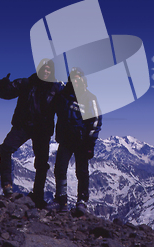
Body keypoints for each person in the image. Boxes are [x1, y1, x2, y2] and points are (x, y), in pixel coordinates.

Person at [0, 59, 61, 208]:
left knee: (42, 164)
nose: (46, 71)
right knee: (6, 149)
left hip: (42, 130)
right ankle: (7, 186)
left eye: (48, 69)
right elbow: (5, 93)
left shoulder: (56, 89)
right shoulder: (26, 83)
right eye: (43, 69)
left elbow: (67, 105)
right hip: (23, 126)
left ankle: (38, 195)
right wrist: (2, 83)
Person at [48, 67, 102, 213]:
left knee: (82, 171)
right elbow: (54, 88)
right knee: (60, 167)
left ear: (82, 80)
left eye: (78, 78)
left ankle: (82, 201)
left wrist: (90, 143)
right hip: (66, 139)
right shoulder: (64, 95)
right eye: (73, 78)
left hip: (82, 141)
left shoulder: (90, 98)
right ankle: (61, 199)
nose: (75, 81)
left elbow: (96, 121)